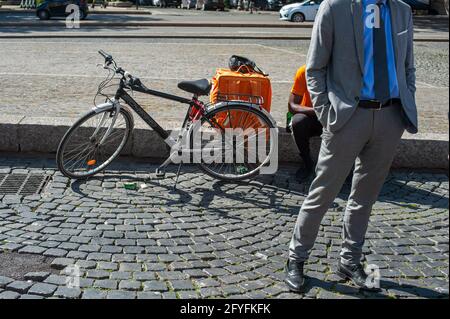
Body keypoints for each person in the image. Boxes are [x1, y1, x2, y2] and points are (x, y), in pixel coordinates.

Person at [285, 0, 417, 292]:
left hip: (390, 116)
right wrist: (326, 114)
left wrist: (406, 102)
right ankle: (296, 258)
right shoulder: (335, 7)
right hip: (347, 117)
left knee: (365, 196)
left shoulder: (402, 10)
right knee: (323, 192)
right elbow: (314, 68)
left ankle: (350, 260)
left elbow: (408, 66)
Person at [287, 65, 323, 180]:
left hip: (335, 116)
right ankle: (307, 163)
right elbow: (292, 105)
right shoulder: (304, 71)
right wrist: (318, 111)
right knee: (298, 122)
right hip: (312, 115)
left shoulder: (340, 71)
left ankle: (344, 169)